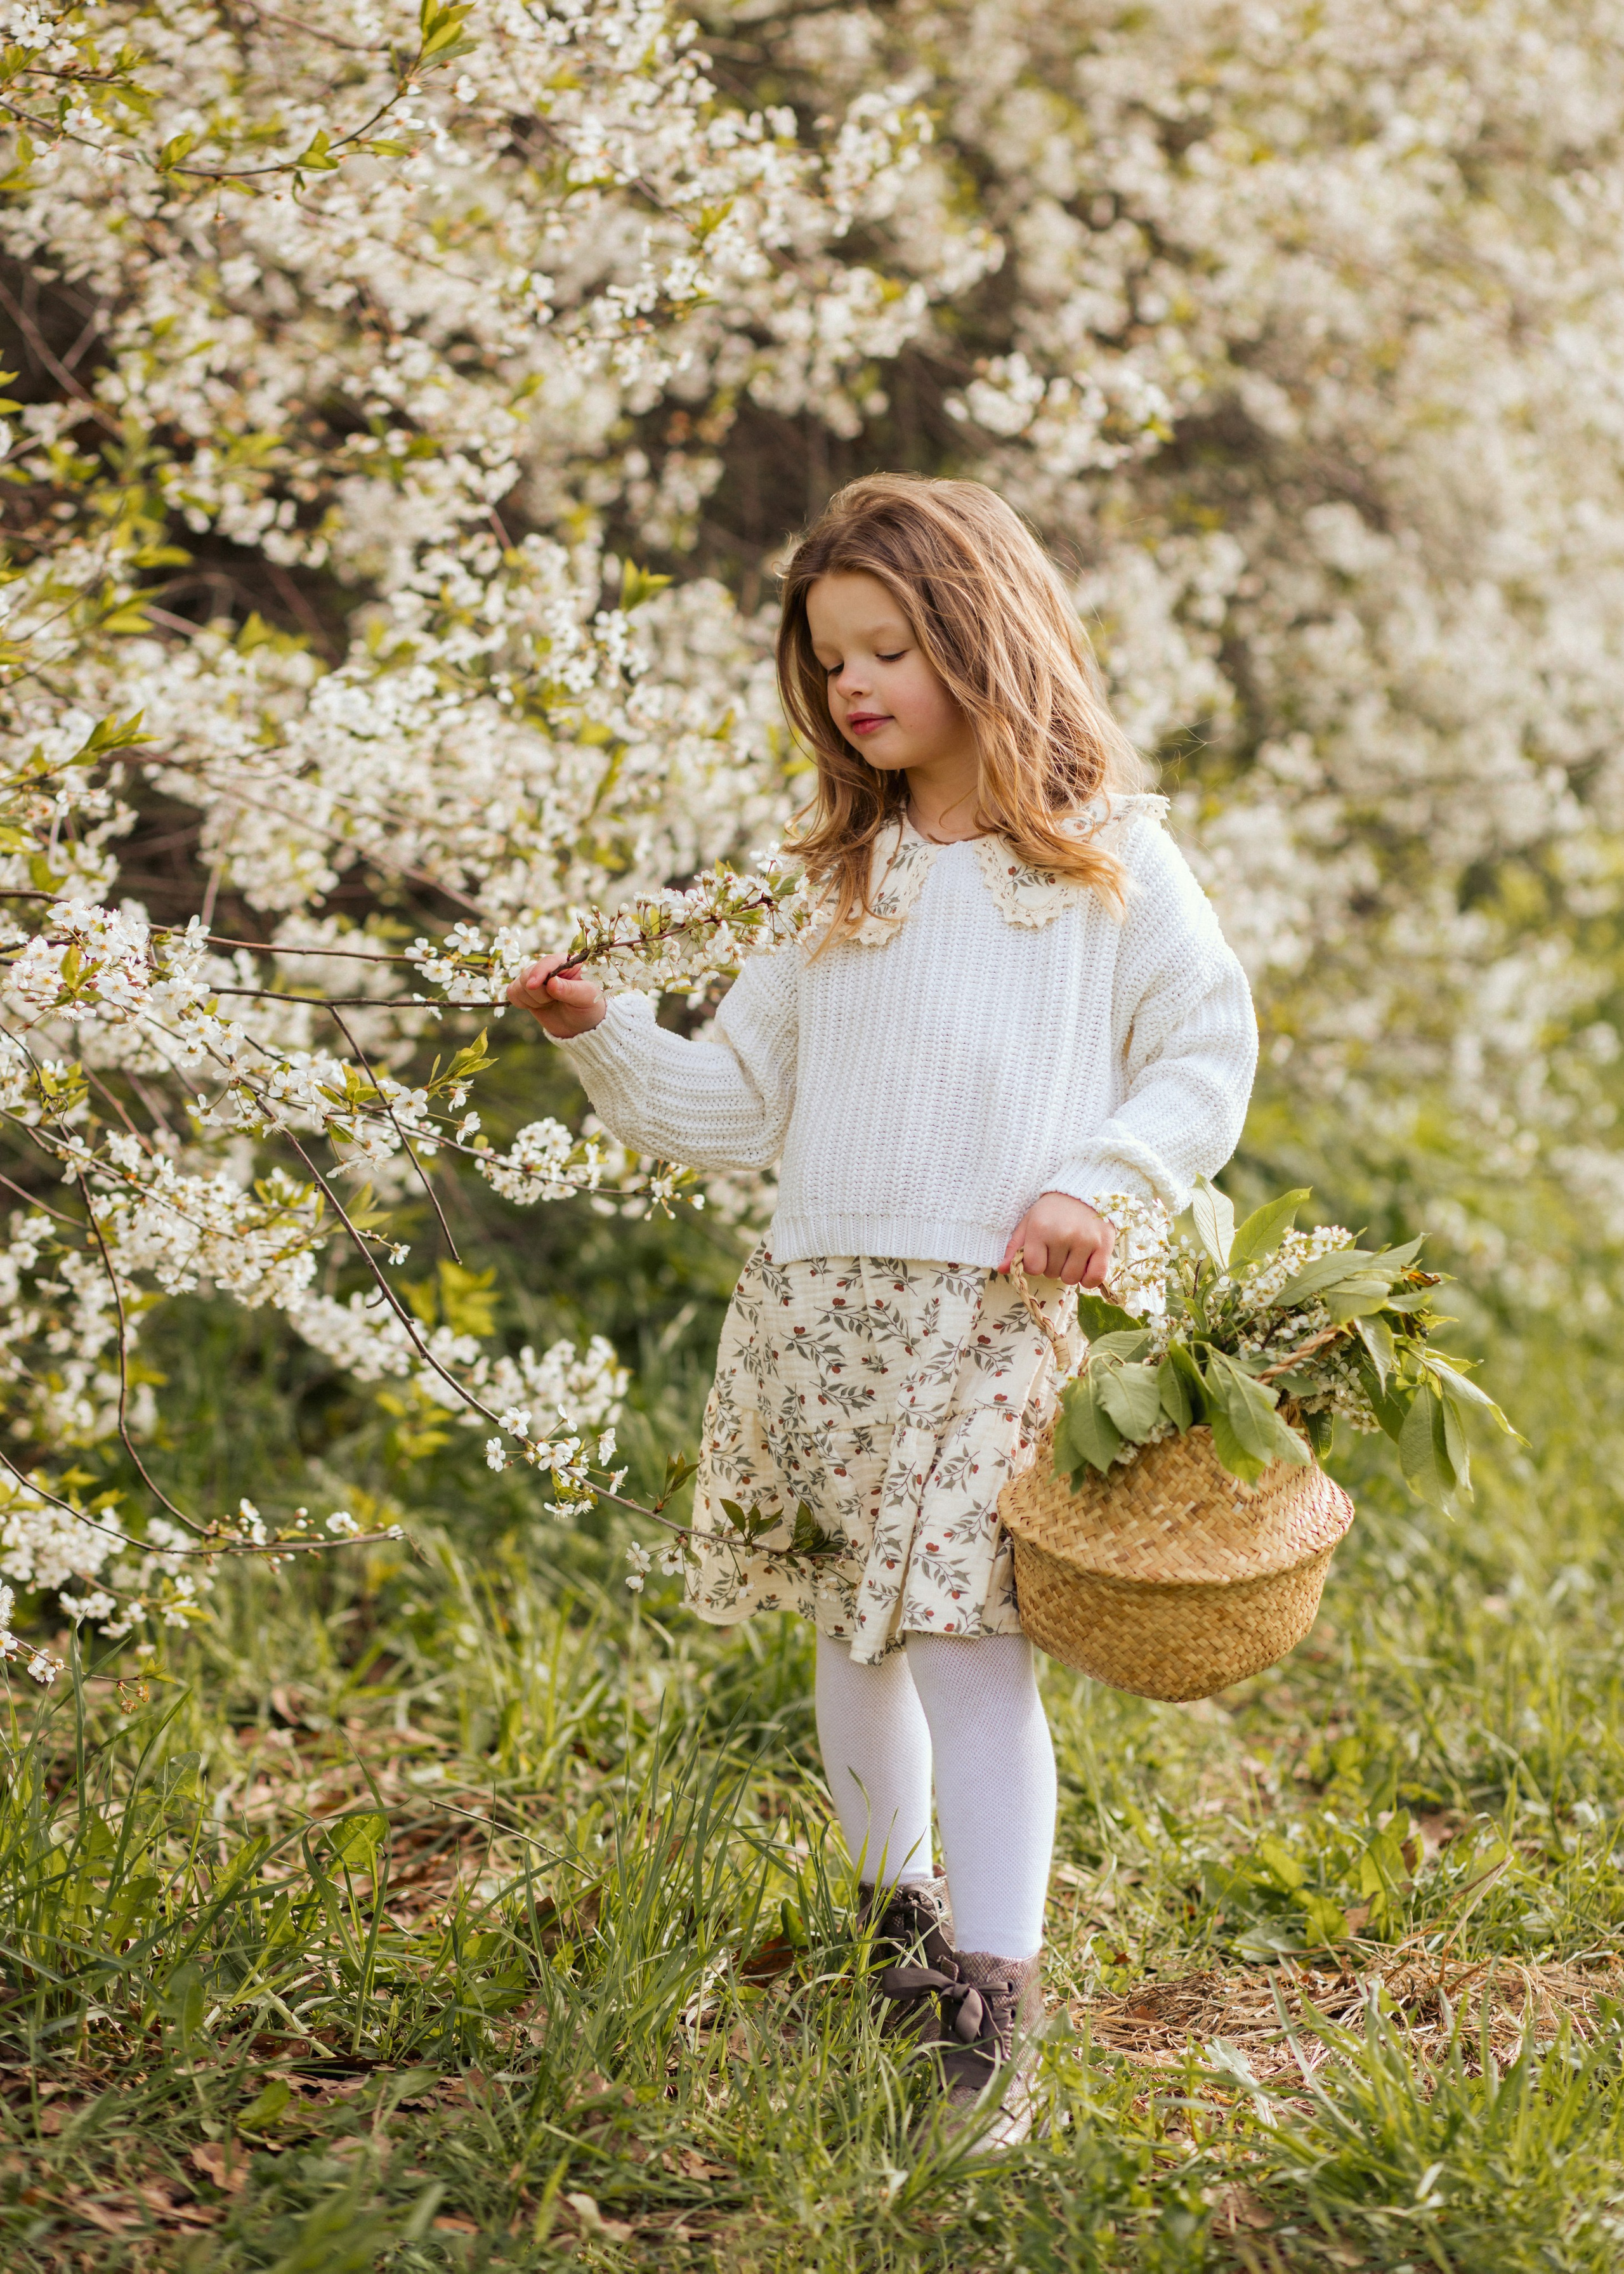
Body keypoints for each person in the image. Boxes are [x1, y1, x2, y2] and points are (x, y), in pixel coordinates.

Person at [508, 474, 1257, 2143]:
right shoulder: (841, 884)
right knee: (855, 1629)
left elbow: (1206, 1057)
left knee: (973, 1652)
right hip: (826, 1311)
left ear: (981, 637)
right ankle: (896, 1939)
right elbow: (730, 1108)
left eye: (889, 648)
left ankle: (993, 2010)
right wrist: (595, 1030)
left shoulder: (1106, 864)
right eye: (830, 657)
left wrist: (1104, 1183)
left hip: (998, 1310)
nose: (853, 686)